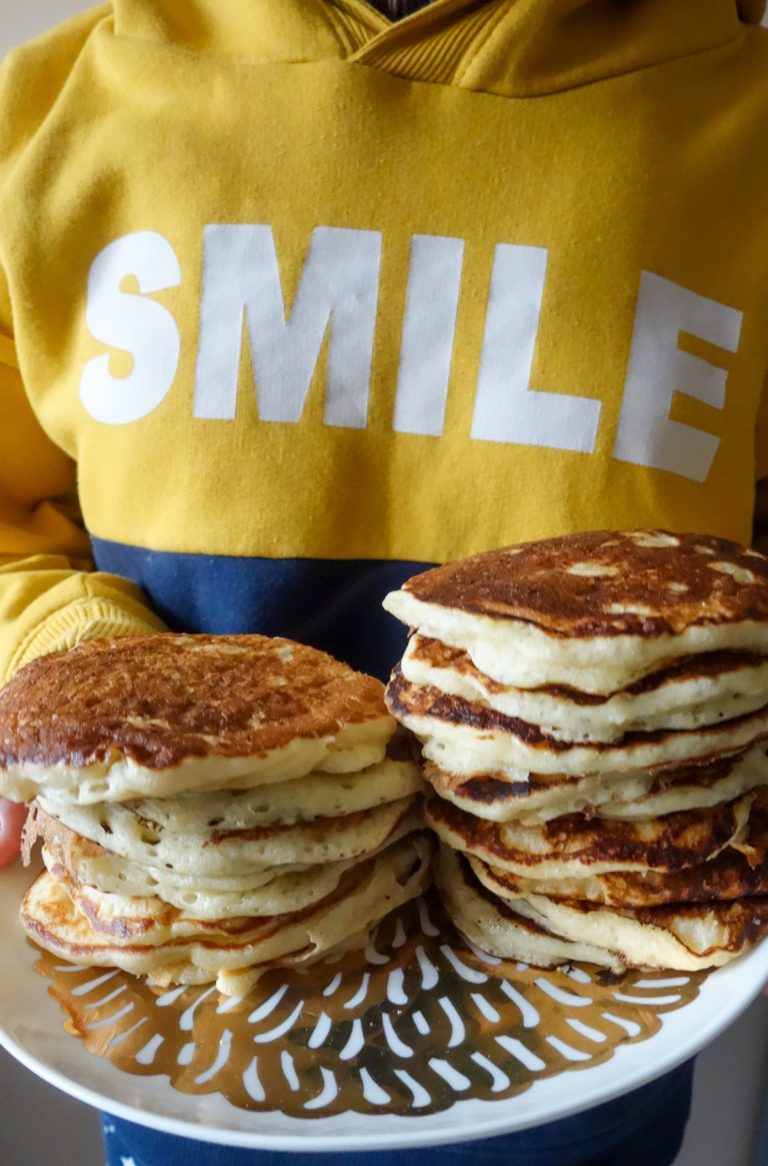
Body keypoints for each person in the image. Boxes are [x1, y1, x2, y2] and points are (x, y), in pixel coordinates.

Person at [1, 0, 767, 1161]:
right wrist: (79, 668)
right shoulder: (53, 117)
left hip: (613, 1013)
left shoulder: (738, 119)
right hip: (196, 1026)